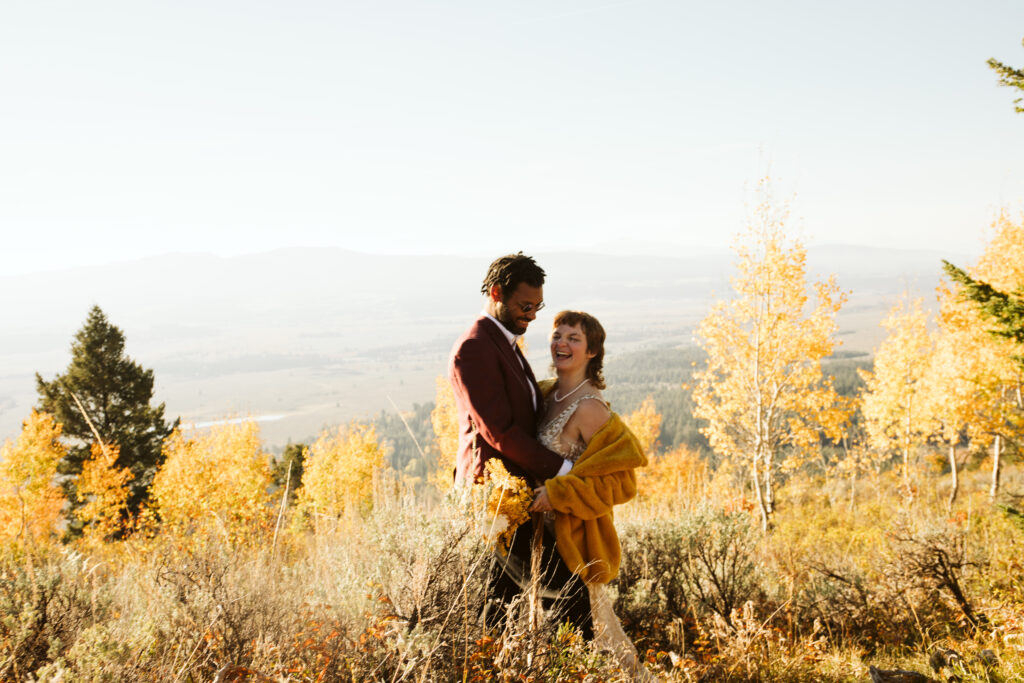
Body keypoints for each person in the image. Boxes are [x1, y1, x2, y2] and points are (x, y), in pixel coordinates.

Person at [448, 253, 593, 638]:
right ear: (497, 293)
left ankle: (491, 665)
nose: (531, 315)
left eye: (537, 307)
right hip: (497, 496)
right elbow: (500, 432)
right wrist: (563, 470)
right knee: (566, 593)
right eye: (525, 306)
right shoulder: (475, 348)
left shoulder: (504, 343)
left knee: (501, 600)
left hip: (515, 495)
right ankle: (585, 668)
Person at [529, 310, 648, 676]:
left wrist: (560, 494)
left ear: (592, 351)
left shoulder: (591, 408)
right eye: (557, 335)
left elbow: (622, 482)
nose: (561, 344)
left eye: (573, 338)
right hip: (536, 538)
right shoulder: (546, 393)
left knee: (582, 640)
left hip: (573, 539)